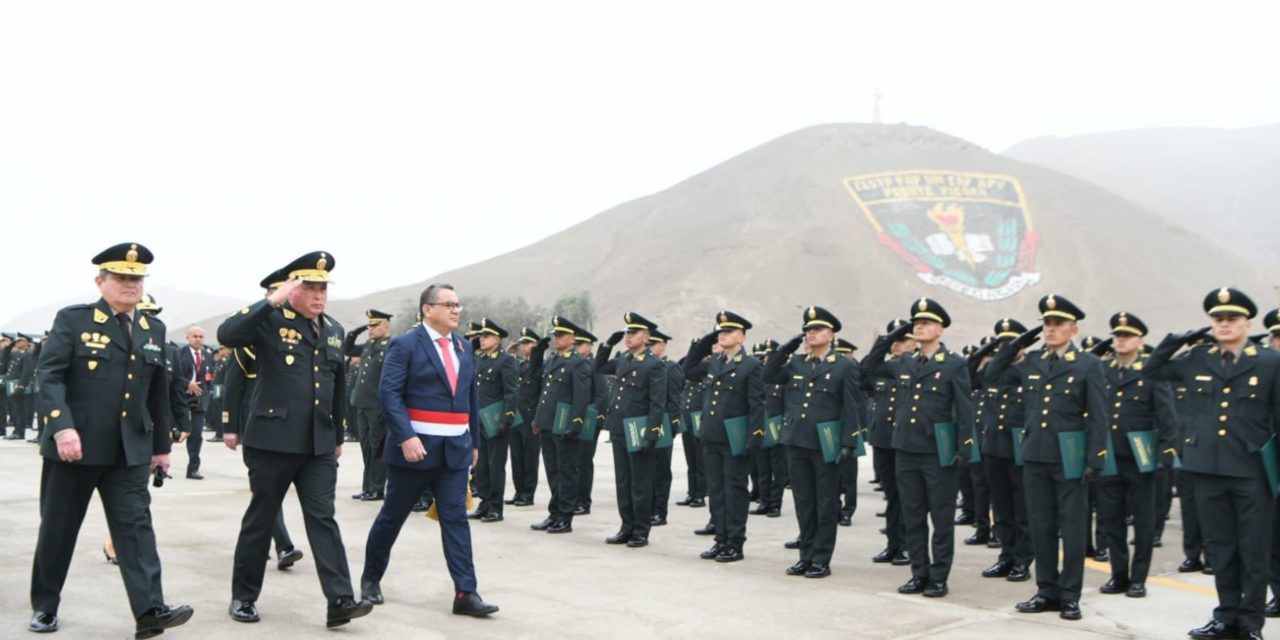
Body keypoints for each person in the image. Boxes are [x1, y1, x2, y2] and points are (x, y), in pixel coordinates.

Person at [29, 242, 193, 637]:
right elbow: (48, 377)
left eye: (136, 279)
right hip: (75, 449)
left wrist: (160, 448)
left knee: (136, 531)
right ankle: (45, 606)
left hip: (129, 451)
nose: (130, 285)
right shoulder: (73, 321)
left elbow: (157, 394)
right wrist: (61, 427)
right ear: (100, 281)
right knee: (58, 530)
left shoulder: (153, 329)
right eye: (121, 278)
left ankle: (150, 610)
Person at [217, 251, 372, 628]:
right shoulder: (270, 321)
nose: (319, 296)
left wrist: (336, 432)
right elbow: (227, 334)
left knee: (323, 518)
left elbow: (334, 385)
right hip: (271, 440)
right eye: (310, 288)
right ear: (293, 290)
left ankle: (340, 599)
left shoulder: (333, 329)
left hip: (318, 444)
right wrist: (273, 299)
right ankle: (244, 596)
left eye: (323, 288)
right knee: (261, 518)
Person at [1145, 288, 1278, 640]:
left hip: (1252, 471)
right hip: (1206, 468)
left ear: (1247, 324)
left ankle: (1250, 623)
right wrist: (1176, 340)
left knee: (1253, 549)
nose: (1224, 324)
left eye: (1231, 319)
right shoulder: (1196, 359)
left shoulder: (1269, 362)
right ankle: (1224, 616)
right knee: (1221, 547)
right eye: (1217, 319)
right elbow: (1152, 370)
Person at [361, 283, 498, 617]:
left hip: (454, 451)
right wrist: (405, 436)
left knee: (456, 520)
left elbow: (470, 398)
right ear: (427, 309)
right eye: (448, 304)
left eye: (457, 304)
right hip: (415, 450)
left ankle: (466, 592)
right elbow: (389, 394)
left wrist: (474, 443)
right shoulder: (406, 345)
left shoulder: (464, 347)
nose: (456, 310)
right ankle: (370, 580)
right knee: (392, 517)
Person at [985, 294, 1108, 622]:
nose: (1051, 329)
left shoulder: (1088, 364)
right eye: (1047, 324)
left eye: (1058, 324)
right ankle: (1046, 590)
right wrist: (1017, 344)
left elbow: (1098, 415)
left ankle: (1070, 596)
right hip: (1035, 455)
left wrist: (1095, 459)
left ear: (1073, 328)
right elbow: (992, 376)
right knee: (1041, 526)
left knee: (1072, 529)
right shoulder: (1033, 361)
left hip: (1069, 458)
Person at [863, 298, 974, 598]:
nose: (919, 327)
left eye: (925, 323)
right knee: (912, 516)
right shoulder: (905, 363)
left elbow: (964, 409)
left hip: (938, 452)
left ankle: (938, 576)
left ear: (939, 329)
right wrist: (889, 338)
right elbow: (866, 369)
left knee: (940, 518)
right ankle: (918, 572)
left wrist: (965, 449)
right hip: (905, 450)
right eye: (916, 323)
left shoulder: (953, 364)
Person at [762, 306, 861, 579]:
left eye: (816, 330)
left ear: (830, 334)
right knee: (804, 502)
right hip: (796, 441)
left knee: (826, 503)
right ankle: (805, 555)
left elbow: (851, 406)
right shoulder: (796, 363)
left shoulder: (844, 365)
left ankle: (821, 558)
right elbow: (768, 375)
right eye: (807, 330)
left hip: (825, 444)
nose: (810, 334)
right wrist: (785, 348)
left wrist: (849, 443)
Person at [221, 269, 304, 571]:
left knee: (269, 492)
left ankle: (277, 543)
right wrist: (230, 427)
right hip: (255, 421)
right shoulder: (248, 338)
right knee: (266, 492)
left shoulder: (301, 334)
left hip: (286, 424)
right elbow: (233, 385)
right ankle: (284, 545)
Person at [1095, 312, 1176, 599]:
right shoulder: (1102, 371)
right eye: (1117, 335)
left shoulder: (1151, 372)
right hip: (1109, 458)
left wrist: (1165, 457)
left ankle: (1139, 577)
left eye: (1127, 336)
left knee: (1143, 522)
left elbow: (1167, 417)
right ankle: (1119, 574)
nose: (1120, 340)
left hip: (1141, 459)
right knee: (1110, 519)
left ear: (1140, 341)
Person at [683, 311, 764, 562]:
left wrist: (754, 437)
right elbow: (688, 368)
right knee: (716, 490)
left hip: (734, 438)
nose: (722, 336)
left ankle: (735, 543)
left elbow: (757, 405)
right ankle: (720, 539)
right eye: (720, 332)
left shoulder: (751, 365)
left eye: (728, 332)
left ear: (741, 337)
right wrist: (707, 340)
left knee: (735, 491)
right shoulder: (716, 361)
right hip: (711, 435)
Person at [595, 312, 667, 548]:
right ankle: (626, 527)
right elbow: (599, 367)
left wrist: (652, 434)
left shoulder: (653, 364)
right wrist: (607, 345)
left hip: (639, 429)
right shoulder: (624, 359)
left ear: (646, 337)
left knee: (640, 483)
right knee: (623, 481)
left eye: (633, 332)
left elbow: (657, 403)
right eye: (627, 332)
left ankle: (640, 531)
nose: (628, 336)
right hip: (618, 428)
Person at [971, 319, 1032, 583]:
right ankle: (1006, 556)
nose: (1005, 348)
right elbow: (970, 373)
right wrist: (991, 350)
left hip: (1020, 450)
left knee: (1022, 510)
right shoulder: (993, 372)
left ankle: (1022, 560)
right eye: (1002, 343)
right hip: (994, 448)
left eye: (1011, 343)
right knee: (1002, 508)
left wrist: (1013, 349)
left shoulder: (1029, 369)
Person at [529, 316, 591, 533]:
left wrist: (575, 425)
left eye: (561, 335)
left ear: (573, 338)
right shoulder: (553, 360)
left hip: (564, 426)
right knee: (553, 471)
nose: (557, 339)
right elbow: (540, 387)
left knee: (567, 472)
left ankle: (565, 516)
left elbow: (581, 397)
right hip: (548, 423)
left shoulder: (578, 363)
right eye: (555, 335)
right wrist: (538, 419)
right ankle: (554, 513)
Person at [865, 320, 914, 567]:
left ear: (914, 342)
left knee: (906, 496)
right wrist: (885, 341)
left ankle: (905, 545)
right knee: (891, 494)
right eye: (895, 340)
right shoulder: (887, 368)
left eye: (903, 339)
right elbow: (866, 367)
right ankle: (893, 544)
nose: (897, 344)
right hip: (883, 440)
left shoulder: (918, 367)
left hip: (905, 440)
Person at [468, 318, 519, 523]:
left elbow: (511, 393)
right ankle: (485, 502)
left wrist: (506, 420)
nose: (482, 339)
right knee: (481, 466)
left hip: (495, 421)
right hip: (479, 420)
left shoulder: (505, 361)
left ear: (497, 339)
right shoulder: (481, 359)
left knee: (495, 465)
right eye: (480, 336)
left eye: (486, 336)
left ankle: (495, 507)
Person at [349, 309, 394, 502]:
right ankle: (367, 487)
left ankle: (376, 488)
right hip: (362, 404)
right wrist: (355, 332)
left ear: (386, 326)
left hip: (377, 405)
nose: (371, 330)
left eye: (375, 326)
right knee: (366, 446)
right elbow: (347, 350)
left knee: (376, 447)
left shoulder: (391, 346)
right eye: (369, 326)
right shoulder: (369, 345)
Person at [648, 329, 683, 527]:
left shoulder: (671, 368)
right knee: (647, 470)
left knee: (661, 471)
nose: (650, 348)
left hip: (664, 424)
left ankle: (660, 511)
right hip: (649, 423)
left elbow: (675, 401)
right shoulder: (646, 366)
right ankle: (649, 508)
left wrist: (671, 426)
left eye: (654, 344)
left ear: (662, 345)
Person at [509, 327, 544, 507]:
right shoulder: (520, 365)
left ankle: (528, 493)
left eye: (527, 343)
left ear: (536, 345)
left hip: (531, 417)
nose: (523, 347)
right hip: (517, 417)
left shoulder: (540, 366)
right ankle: (518, 491)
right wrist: (510, 354)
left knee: (530, 457)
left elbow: (540, 395)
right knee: (516, 456)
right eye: (522, 343)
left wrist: (538, 418)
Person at [175, 326, 210, 479]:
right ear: (187, 338)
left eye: (201, 336)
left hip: (198, 400)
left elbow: (208, 377)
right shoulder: (178, 354)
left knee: (196, 436)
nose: (198, 339)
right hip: (181, 398)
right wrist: (187, 384)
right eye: (195, 336)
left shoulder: (207, 355)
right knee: (172, 432)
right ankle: (158, 464)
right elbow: (173, 375)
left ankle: (193, 468)